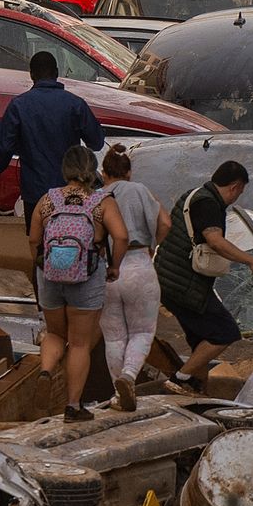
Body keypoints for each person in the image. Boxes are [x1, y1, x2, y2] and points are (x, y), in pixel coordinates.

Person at [29, 146, 128, 422]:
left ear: (66, 170)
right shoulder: (101, 202)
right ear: (92, 169)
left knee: (55, 333)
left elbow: (33, 240)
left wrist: (42, 265)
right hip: (87, 276)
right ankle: (73, 406)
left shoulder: (48, 200)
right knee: (80, 343)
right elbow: (121, 237)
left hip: (50, 276)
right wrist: (114, 266)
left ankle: (46, 370)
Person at [154, 161, 253, 392]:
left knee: (200, 340)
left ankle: (197, 387)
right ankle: (180, 379)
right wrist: (252, 261)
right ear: (235, 187)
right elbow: (215, 241)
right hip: (185, 286)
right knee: (225, 332)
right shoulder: (208, 204)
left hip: (168, 281)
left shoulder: (194, 194)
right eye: (240, 192)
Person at [0, 51, 106, 230]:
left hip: (36, 193)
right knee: (71, 240)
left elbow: (3, 148)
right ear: (57, 73)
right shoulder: (75, 105)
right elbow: (96, 142)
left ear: (32, 75)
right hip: (70, 191)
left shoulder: (18, 106)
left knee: (39, 244)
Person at [99, 144, 171, 411]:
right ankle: (128, 376)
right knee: (142, 331)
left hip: (107, 270)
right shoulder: (141, 190)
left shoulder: (98, 196)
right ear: (129, 172)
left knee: (114, 337)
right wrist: (154, 244)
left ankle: (118, 394)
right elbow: (165, 223)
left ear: (104, 173)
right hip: (138, 263)